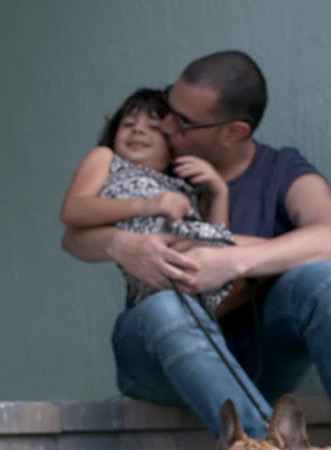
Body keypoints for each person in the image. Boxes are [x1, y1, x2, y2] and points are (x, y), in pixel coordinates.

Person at [61, 51, 331, 450]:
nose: (165, 125)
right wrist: (119, 245)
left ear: (233, 132)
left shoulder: (280, 170)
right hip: (158, 355)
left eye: (180, 121)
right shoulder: (161, 168)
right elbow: (73, 237)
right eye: (168, 107)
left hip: (257, 356)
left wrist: (233, 261)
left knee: (327, 278)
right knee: (165, 308)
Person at [61, 88, 234, 315]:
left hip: (199, 293)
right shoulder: (107, 159)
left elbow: (217, 241)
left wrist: (220, 192)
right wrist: (148, 205)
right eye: (128, 124)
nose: (138, 130)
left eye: (154, 127)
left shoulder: (182, 187)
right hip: (153, 297)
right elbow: (73, 210)